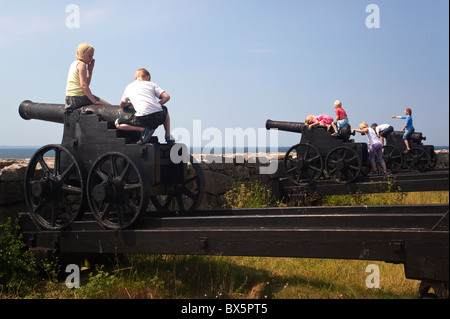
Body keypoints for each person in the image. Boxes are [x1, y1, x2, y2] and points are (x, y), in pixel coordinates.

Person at [115, 68, 174, 145]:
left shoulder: (129, 87)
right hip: (159, 117)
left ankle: (142, 129)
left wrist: (130, 103)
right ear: (148, 77)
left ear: (135, 78)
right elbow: (166, 97)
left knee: (118, 123)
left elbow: (121, 105)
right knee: (164, 109)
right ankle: (168, 136)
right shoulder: (151, 84)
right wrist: (157, 105)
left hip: (142, 119)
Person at [65, 43, 109, 111]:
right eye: (90, 56)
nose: (91, 59)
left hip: (70, 99)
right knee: (108, 106)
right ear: (83, 54)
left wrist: (90, 71)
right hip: (78, 98)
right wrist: (94, 101)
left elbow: (85, 85)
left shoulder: (74, 64)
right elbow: (84, 86)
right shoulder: (82, 65)